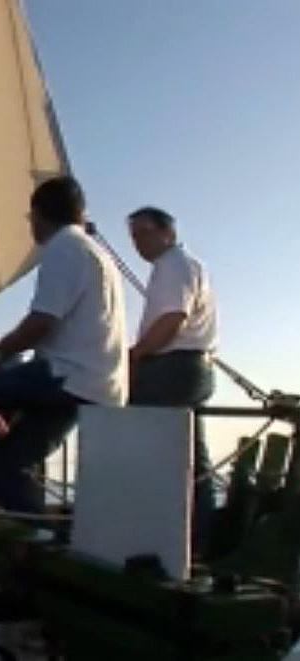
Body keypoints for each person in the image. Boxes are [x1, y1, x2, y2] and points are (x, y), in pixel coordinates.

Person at [0, 176, 127, 514]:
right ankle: (29, 531)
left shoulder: (63, 247)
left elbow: (42, 321)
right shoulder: (95, 252)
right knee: (12, 461)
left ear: (39, 215)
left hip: (64, 375)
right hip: (99, 383)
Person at [126, 206, 217, 549]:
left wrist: (134, 356)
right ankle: (198, 540)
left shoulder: (171, 265)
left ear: (168, 232)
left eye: (144, 233)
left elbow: (171, 319)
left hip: (172, 368)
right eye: (134, 236)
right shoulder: (190, 265)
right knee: (193, 460)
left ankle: (148, 537)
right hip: (194, 369)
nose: (138, 242)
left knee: (142, 446)